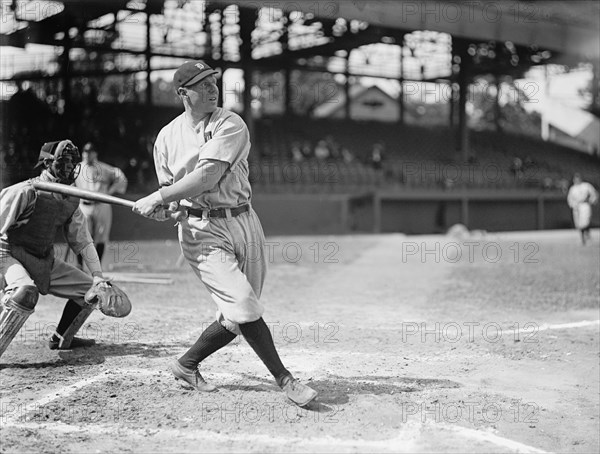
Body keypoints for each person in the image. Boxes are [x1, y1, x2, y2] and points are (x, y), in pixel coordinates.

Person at [133, 60, 318, 407]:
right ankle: (285, 379)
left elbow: (207, 177)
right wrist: (167, 206)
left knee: (236, 316)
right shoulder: (166, 138)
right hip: (202, 231)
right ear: (183, 93)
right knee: (244, 304)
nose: (212, 88)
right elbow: (170, 191)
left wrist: (160, 198)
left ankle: (186, 364)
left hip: (244, 222)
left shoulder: (230, 123)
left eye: (213, 81)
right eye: (202, 84)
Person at [0, 140, 115, 356]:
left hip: (42, 259)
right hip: (8, 255)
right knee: (25, 293)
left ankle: (62, 338)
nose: (70, 168)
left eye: (72, 163)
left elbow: (82, 240)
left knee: (92, 293)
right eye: (64, 162)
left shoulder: (70, 199)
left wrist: (98, 275)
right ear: (47, 164)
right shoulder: (26, 192)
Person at [74, 142, 128, 266]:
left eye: (90, 152)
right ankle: (80, 267)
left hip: (102, 204)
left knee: (101, 236)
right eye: (85, 152)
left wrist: (111, 190)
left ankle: (98, 268)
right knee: (81, 236)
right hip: (84, 205)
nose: (87, 154)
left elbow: (121, 177)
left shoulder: (103, 168)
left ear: (95, 153)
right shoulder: (77, 168)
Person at [567, 173, 599, 245]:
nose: (576, 180)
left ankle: (585, 236)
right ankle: (583, 237)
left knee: (584, 221)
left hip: (585, 205)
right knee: (578, 223)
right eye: (575, 179)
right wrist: (572, 205)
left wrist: (592, 201)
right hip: (576, 206)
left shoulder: (586, 185)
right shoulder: (573, 188)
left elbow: (594, 193)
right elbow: (570, 198)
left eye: (578, 178)